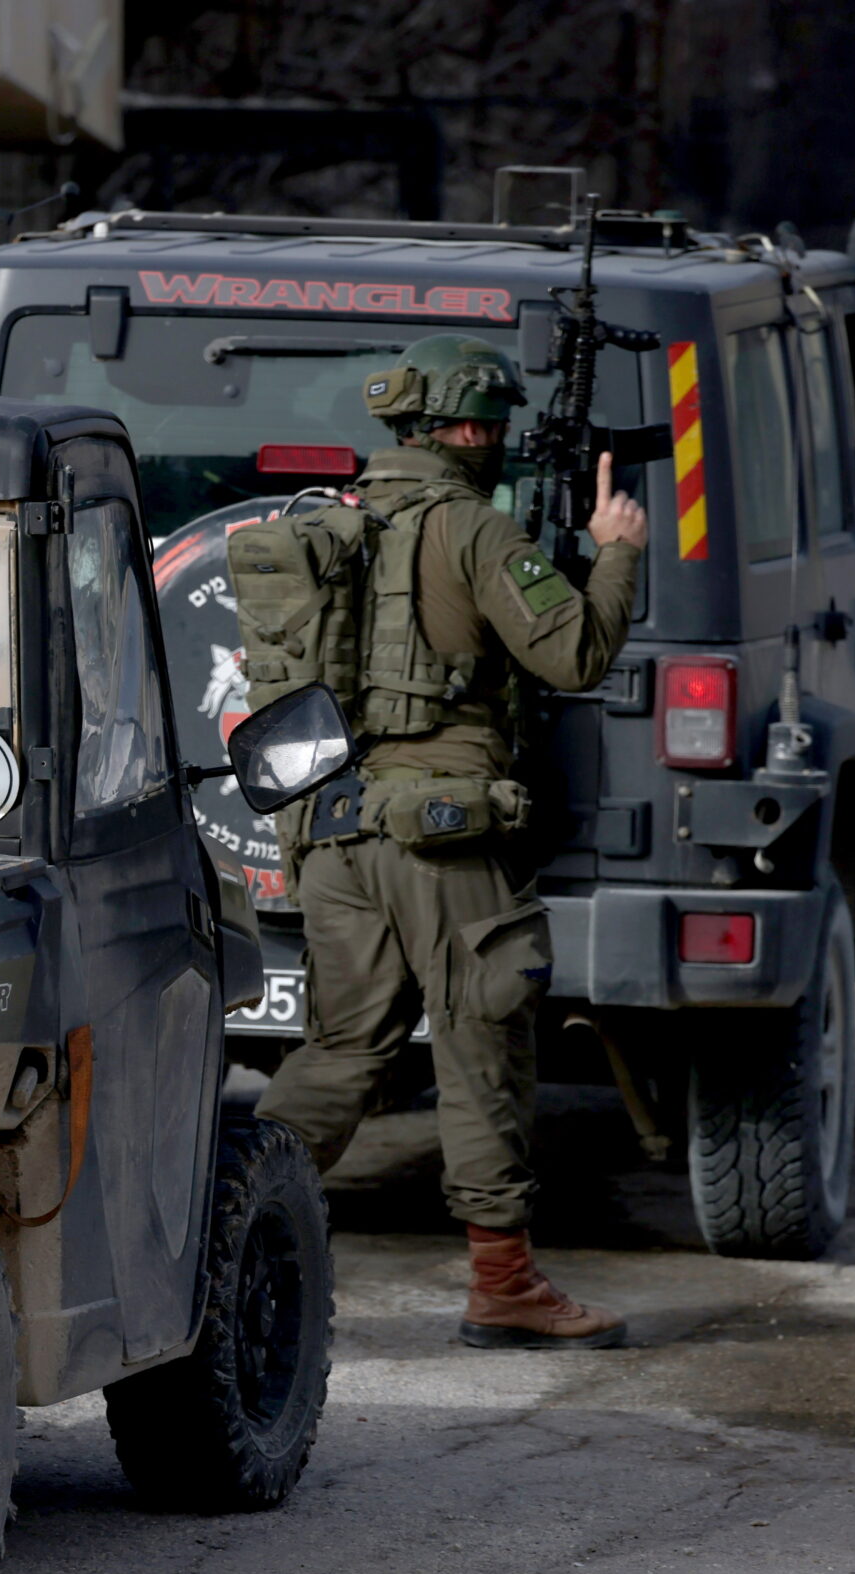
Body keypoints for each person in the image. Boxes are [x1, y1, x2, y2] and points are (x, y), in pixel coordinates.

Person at [251, 335, 648, 1350]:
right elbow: (573, 652)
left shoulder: (335, 522)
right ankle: (503, 1282)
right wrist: (615, 549)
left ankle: (220, 1223)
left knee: (342, 1050)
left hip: (338, 830)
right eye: (495, 424)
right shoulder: (473, 529)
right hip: (443, 838)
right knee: (483, 1044)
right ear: (468, 429)